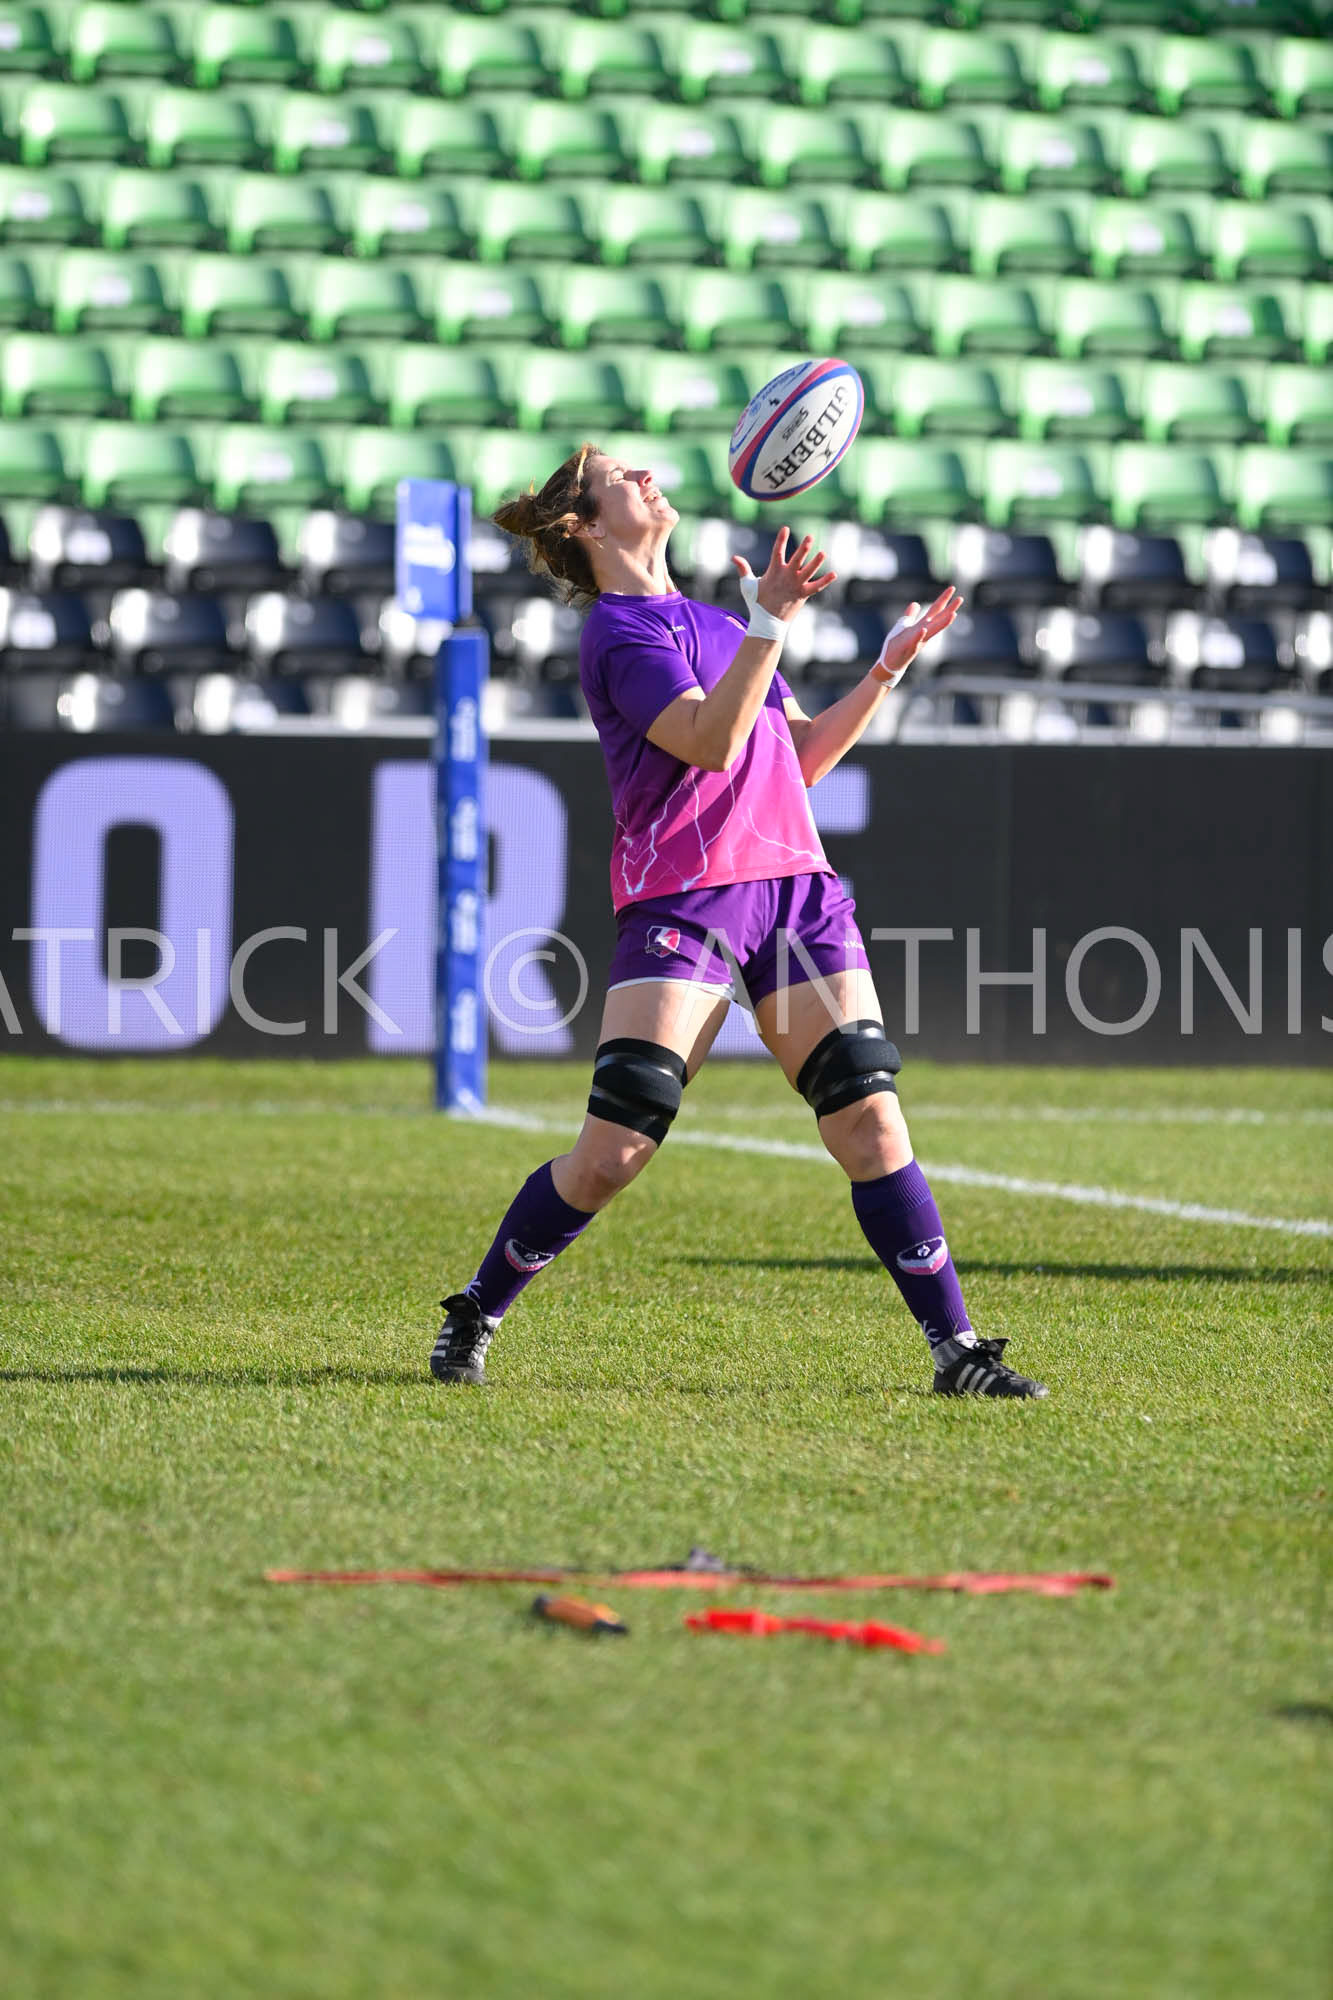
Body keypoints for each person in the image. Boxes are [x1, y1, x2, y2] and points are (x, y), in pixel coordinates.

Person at [430, 443, 1047, 1401]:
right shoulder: (622, 635)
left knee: (870, 1120)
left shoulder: (719, 620)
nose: (644, 477)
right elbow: (709, 745)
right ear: (584, 527)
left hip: (796, 885)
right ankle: (480, 1304)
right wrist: (768, 621)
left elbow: (794, 760)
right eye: (617, 480)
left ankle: (955, 1351)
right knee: (615, 1150)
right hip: (686, 894)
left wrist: (882, 671)